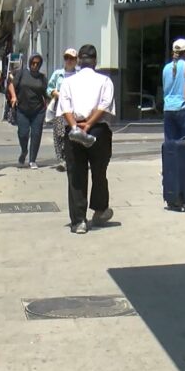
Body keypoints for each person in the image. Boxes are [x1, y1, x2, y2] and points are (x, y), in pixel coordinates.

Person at [59, 44, 115, 234]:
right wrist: (89, 124)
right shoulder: (105, 80)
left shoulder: (68, 82)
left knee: (76, 175)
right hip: (98, 129)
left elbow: (65, 108)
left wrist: (76, 127)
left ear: (79, 62)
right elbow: (105, 105)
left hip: (74, 129)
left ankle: (79, 221)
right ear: (95, 61)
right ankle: (99, 211)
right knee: (99, 172)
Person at [8, 54, 49, 169]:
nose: (35, 65)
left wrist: (49, 105)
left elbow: (46, 93)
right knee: (23, 133)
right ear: (30, 63)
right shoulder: (22, 73)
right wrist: (14, 97)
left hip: (38, 111)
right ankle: (24, 150)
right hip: (22, 109)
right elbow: (11, 85)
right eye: (33, 63)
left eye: (37, 63)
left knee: (36, 134)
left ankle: (32, 160)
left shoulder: (42, 78)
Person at [47, 48, 79, 171]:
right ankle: (62, 160)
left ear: (76, 60)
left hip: (74, 109)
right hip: (59, 109)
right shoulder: (58, 74)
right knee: (59, 134)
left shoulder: (79, 75)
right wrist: (55, 93)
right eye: (66, 58)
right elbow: (49, 89)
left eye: (72, 58)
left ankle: (72, 158)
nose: (69, 61)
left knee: (73, 133)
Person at [161, 38, 185, 141]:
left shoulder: (166, 68)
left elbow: (165, 88)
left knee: (170, 143)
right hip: (183, 108)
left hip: (168, 108)